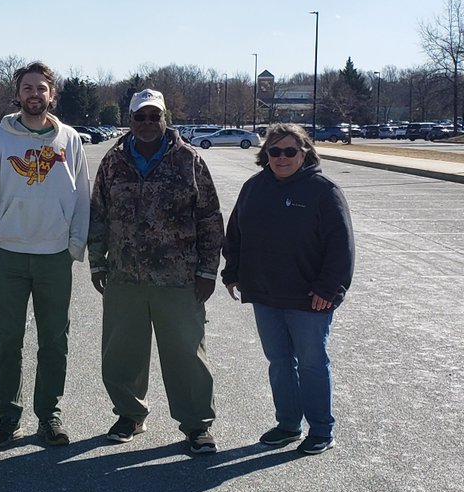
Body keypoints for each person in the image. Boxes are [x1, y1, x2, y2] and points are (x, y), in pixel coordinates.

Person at [88, 88, 224, 454]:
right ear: (130, 120)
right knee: (122, 353)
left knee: (187, 355)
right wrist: (97, 261)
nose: (147, 122)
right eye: (140, 116)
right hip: (124, 276)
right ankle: (130, 415)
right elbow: (98, 214)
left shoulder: (189, 160)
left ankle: (197, 425)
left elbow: (210, 219)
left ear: (165, 119)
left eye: (154, 116)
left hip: (178, 278)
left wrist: (208, 271)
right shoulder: (113, 161)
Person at [0, 61, 90, 448]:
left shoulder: (69, 139)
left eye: (41, 88)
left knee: (54, 341)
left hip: (54, 255)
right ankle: (9, 417)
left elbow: (82, 196)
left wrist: (74, 245)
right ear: (17, 94)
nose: (34, 94)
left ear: (51, 95)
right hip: (8, 255)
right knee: (8, 340)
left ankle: (49, 415)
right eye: (27, 88)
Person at [221, 122, 355, 455]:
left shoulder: (323, 191)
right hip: (265, 295)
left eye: (290, 151)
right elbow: (235, 234)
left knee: (311, 363)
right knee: (279, 362)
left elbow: (341, 246)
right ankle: (288, 425)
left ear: (305, 152)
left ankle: (321, 430)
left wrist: (329, 289)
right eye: (275, 151)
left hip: (309, 298)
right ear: (265, 154)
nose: (282, 157)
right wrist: (232, 273)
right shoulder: (254, 188)